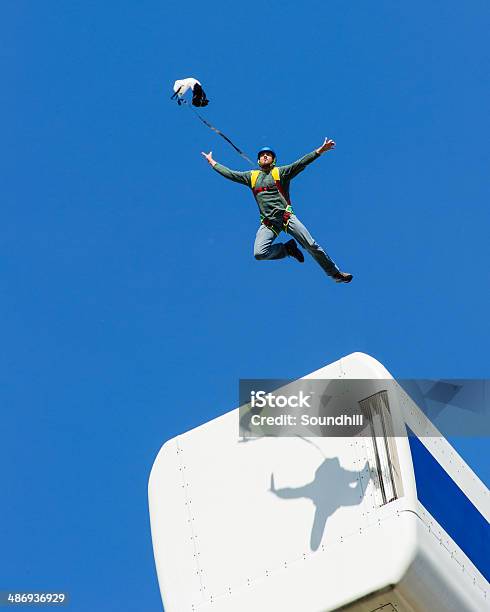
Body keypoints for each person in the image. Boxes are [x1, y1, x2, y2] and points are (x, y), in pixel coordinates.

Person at [201, 138, 353, 282]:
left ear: (273, 160)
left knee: (311, 245)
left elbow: (300, 163)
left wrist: (320, 150)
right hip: (269, 223)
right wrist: (212, 162)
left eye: (268, 155)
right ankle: (287, 249)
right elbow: (231, 174)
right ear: (258, 161)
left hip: (287, 218)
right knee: (259, 253)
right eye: (262, 155)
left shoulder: (280, 173)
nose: (265, 156)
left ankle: (335, 273)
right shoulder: (251, 177)